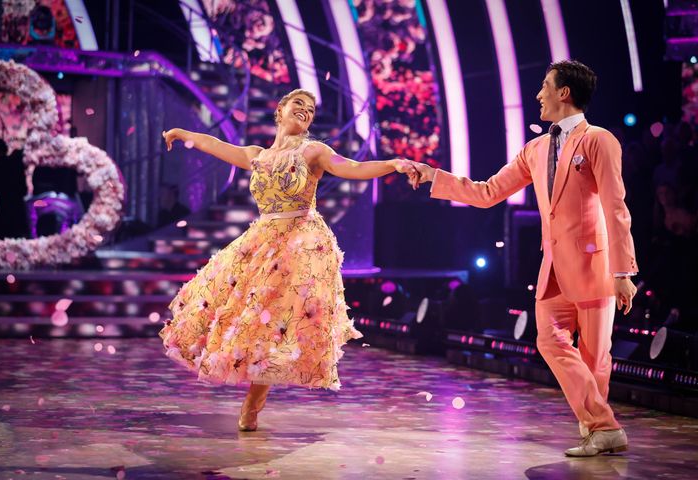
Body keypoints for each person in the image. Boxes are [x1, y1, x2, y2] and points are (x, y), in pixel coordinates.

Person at [407, 60, 638, 457]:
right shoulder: (535, 148)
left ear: (564, 92)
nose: (538, 96)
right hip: (553, 270)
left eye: (545, 86)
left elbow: (616, 207)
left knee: (595, 358)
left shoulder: (599, 140)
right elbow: (486, 192)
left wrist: (622, 271)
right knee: (549, 341)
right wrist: (434, 176)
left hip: (596, 264)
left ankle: (596, 432)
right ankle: (605, 427)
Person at [159, 89, 416, 432]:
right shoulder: (257, 155)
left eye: (311, 109)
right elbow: (216, 145)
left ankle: (254, 401)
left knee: (273, 317)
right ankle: (253, 392)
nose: (306, 112)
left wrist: (393, 164)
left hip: (299, 242)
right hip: (263, 239)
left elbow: (352, 168)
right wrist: (184, 134)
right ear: (280, 110)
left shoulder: (314, 151)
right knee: (244, 316)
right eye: (299, 105)